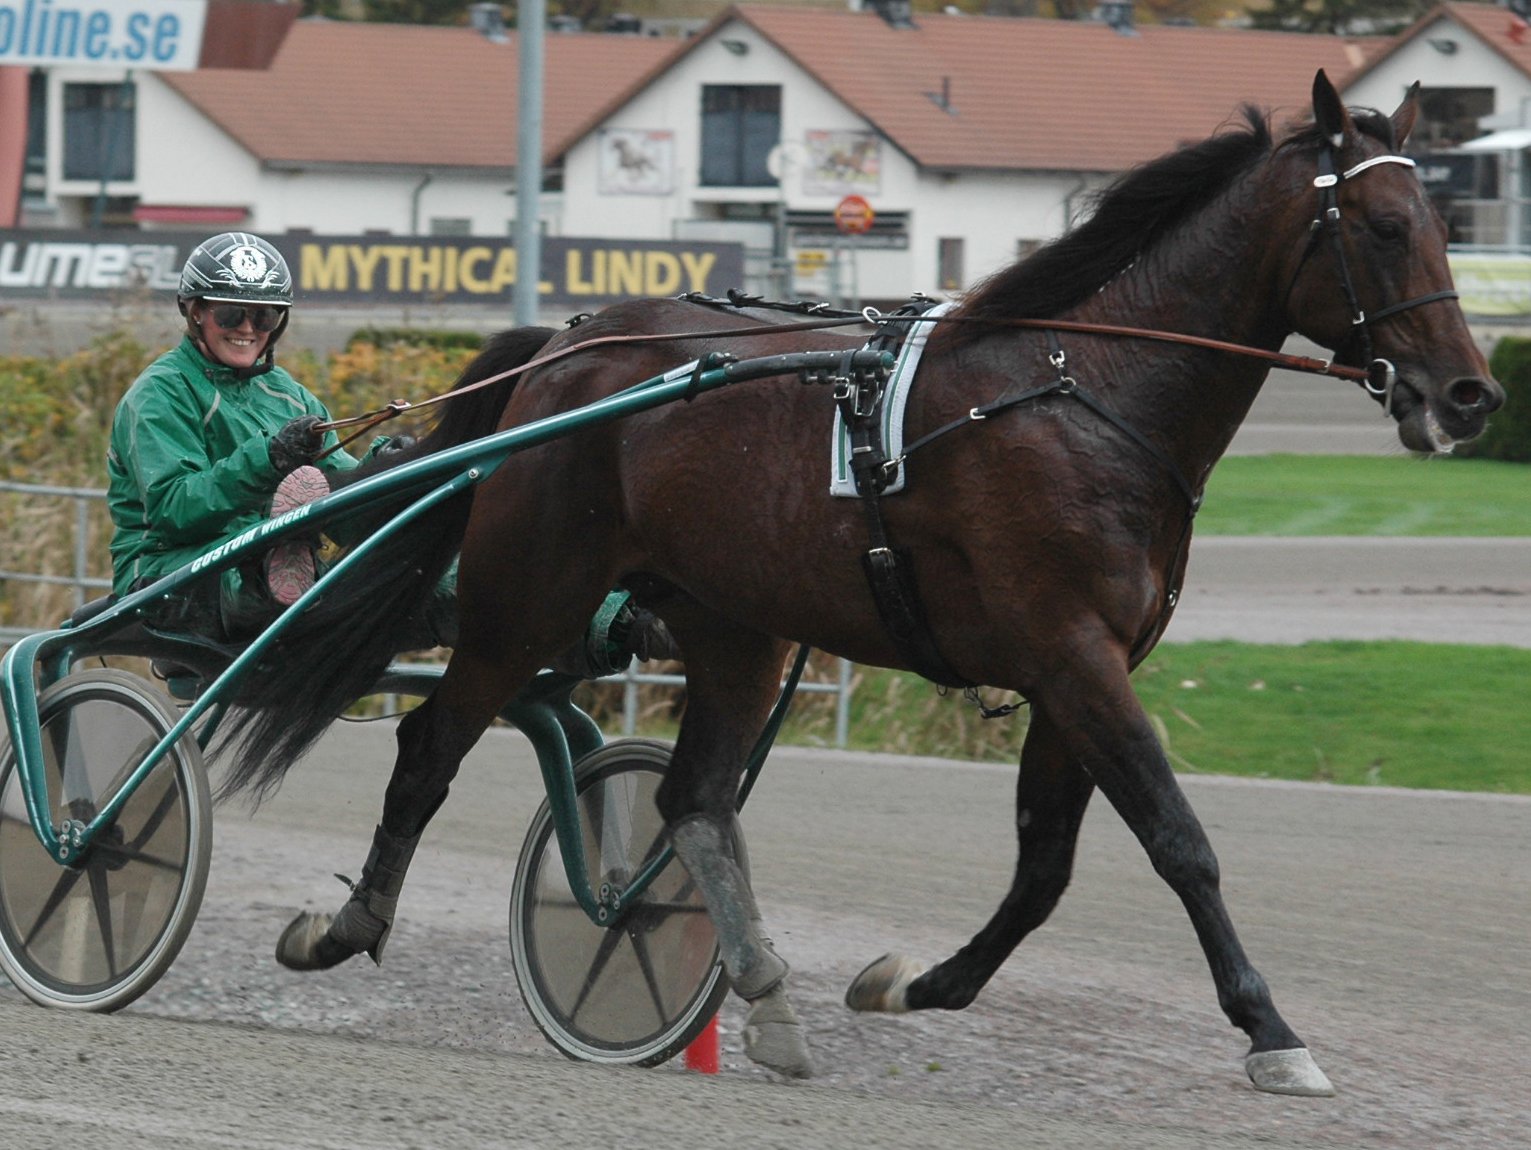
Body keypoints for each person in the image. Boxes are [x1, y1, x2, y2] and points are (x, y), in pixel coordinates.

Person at [106, 231, 673, 672]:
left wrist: (389, 470)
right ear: (195, 311)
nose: (248, 328)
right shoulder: (158, 396)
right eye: (232, 314)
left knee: (423, 571)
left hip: (284, 566)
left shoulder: (289, 396)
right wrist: (270, 459)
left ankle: (615, 624)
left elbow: (340, 494)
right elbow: (174, 508)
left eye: (265, 315)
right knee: (276, 562)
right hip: (170, 578)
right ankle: (275, 557)